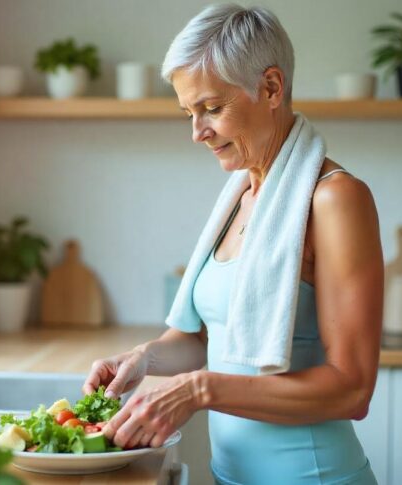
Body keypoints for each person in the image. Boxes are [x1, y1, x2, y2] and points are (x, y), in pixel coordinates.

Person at [83, 4, 383, 484]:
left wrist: (199, 391)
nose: (197, 132)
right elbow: (205, 339)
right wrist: (144, 359)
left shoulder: (335, 199)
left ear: (270, 87)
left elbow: (352, 390)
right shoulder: (242, 195)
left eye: (211, 108)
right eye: (189, 112)